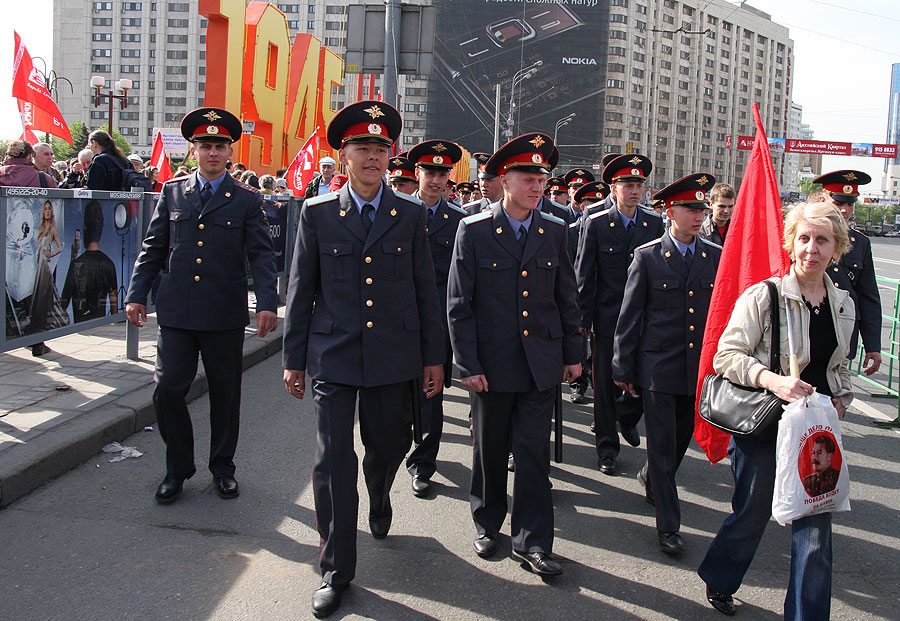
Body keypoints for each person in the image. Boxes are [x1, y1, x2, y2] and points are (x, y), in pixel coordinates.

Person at [281, 101, 445, 619]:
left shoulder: (411, 214)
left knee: (388, 446)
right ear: (344, 156)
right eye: (362, 149)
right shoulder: (318, 213)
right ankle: (336, 569)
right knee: (332, 461)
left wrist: (433, 359)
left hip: (394, 354)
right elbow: (302, 289)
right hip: (334, 354)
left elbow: (425, 289)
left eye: (380, 149)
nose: (373, 157)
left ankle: (380, 491)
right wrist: (293, 359)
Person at [698, 202, 855, 618]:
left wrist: (841, 399)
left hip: (815, 434)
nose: (811, 249)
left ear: (836, 247)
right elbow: (726, 356)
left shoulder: (843, 304)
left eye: (822, 240)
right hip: (766, 426)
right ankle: (719, 577)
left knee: (815, 534)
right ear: (790, 243)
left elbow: (839, 366)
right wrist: (773, 380)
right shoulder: (765, 296)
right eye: (804, 238)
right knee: (751, 515)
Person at [124, 107, 278, 506]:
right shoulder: (173, 192)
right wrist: (137, 294)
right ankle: (178, 468)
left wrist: (267, 302)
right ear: (194, 151)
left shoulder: (246, 198)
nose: (212, 153)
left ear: (230, 152)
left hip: (223, 312)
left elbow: (262, 254)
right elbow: (153, 247)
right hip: (177, 311)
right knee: (167, 390)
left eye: (220, 147)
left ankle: (222, 467)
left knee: (225, 395)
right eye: (205, 146)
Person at [447, 132, 581, 577]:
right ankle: (487, 522)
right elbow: (459, 304)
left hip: (541, 363)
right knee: (489, 449)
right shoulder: (475, 230)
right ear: (505, 180)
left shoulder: (555, 230)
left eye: (541, 179)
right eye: (528, 178)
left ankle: (533, 541)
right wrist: (467, 364)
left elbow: (566, 298)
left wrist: (573, 355)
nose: (537, 186)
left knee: (533, 454)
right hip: (492, 364)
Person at [613, 173, 722, 555]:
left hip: (696, 371)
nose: (698, 216)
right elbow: (630, 317)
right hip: (658, 367)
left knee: (678, 443)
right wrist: (623, 367)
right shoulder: (648, 257)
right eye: (690, 209)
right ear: (670, 212)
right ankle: (669, 527)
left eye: (702, 209)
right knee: (661, 447)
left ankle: (651, 477)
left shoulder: (714, 256)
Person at [575, 154, 664, 475]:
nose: (635, 191)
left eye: (639, 185)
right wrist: (583, 319)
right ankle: (607, 448)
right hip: (607, 317)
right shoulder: (597, 222)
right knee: (604, 386)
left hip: (643, 320)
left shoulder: (653, 224)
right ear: (613, 189)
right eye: (628, 185)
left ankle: (627, 417)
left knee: (641, 379)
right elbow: (584, 272)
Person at [404, 138, 467, 499]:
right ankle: (398, 449)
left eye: (443, 174)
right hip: (398, 321)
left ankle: (423, 463)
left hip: (437, 324)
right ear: (417, 173)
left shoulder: (459, 221)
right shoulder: (397, 212)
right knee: (397, 396)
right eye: (430, 172)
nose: (436, 180)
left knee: (431, 394)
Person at [811, 170, 882, 377]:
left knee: (838, 389)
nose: (845, 210)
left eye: (850, 204)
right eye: (839, 203)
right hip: (807, 328)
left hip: (843, 332)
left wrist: (873, 345)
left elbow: (868, 296)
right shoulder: (805, 237)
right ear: (823, 200)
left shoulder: (860, 243)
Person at [0, 140, 56, 356]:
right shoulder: (42, 178)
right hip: (34, 245)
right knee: (37, 293)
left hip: (4, 243)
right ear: (30, 156)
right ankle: (35, 341)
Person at [60, 200, 118, 323]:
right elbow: (114, 298)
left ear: (85, 228)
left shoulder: (77, 265)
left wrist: (73, 258)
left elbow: (64, 300)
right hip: (102, 324)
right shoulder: (108, 263)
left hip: (80, 324)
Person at [29, 200, 69, 333]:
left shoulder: (52, 229)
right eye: (45, 209)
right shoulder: (41, 228)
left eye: (49, 209)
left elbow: (60, 247)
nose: (47, 211)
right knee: (38, 290)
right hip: (38, 261)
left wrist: (51, 254)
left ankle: (42, 319)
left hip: (45, 263)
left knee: (44, 290)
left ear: (52, 212)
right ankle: (36, 319)